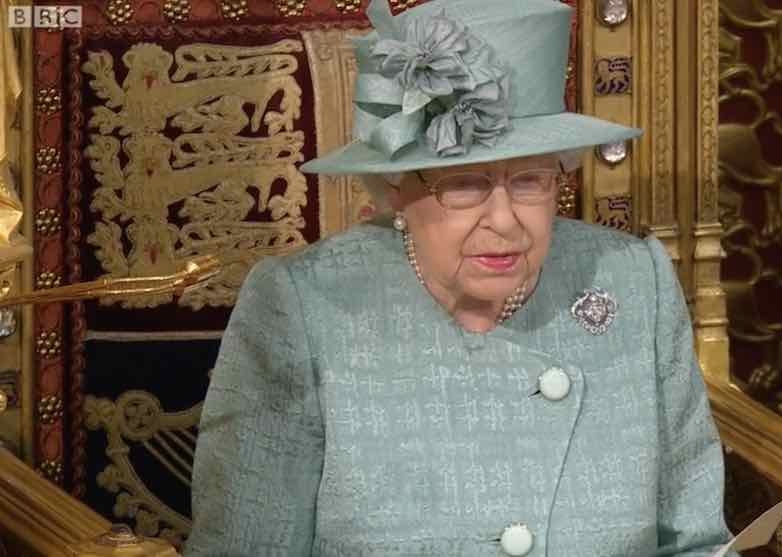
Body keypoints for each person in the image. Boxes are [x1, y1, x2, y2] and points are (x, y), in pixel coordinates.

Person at [186, 0, 733, 554]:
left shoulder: (634, 282)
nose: (503, 220)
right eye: (465, 184)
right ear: (397, 187)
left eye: (529, 181)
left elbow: (697, 543)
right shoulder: (306, 307)